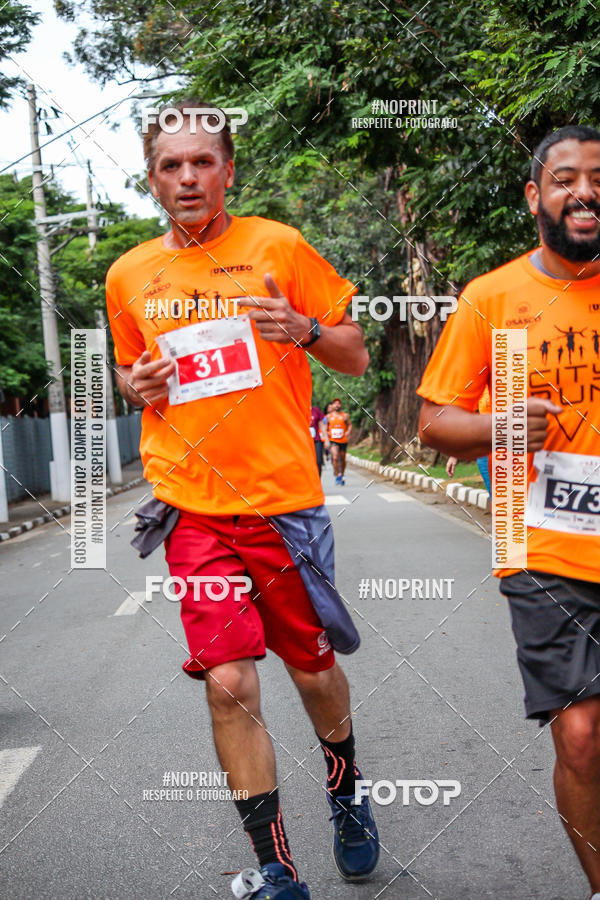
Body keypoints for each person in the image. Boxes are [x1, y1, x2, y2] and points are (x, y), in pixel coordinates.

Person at [105, 99, 379, 899]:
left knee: (311, 668)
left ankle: (347, 792)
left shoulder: (279, 247)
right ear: (152, 179)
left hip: (285, 502)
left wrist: (300, 328)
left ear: (228, 170)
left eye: (203, 162)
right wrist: (135, 383)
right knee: (229, 680)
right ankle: (276, 869)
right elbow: (133, 378)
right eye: (170, 165)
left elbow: (355, 355)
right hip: (191, 508)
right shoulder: (129, 275)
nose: (188, 177)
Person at [417, 125, 600, 898]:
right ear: (536, 196)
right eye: (565, 179)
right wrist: (498, 424)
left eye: (597, 177)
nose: (584, 191)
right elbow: (434, 426)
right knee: (584, 737)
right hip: (540, 543)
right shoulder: (491, 299)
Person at [327, 398, 352, 485]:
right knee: (335, 457)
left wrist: (348, 431)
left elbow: (349, 425)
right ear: (332, 405)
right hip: (333, 440)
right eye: (335, 403)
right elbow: (324, 427)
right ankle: (337, 475)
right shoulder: (328, 417)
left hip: (343, 440)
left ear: (340, 405)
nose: (337, 405)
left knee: (342, 458)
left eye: (339, 403)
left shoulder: (345, 415)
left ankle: (342, 474)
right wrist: (327, 434)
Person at [310, 403, 324, 476]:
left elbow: (321, 425)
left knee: (318, 461)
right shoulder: (298, 408)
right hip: (304, 441)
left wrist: (326, 439)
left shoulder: (315, 410)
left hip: (316, 440)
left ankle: (318, 479)